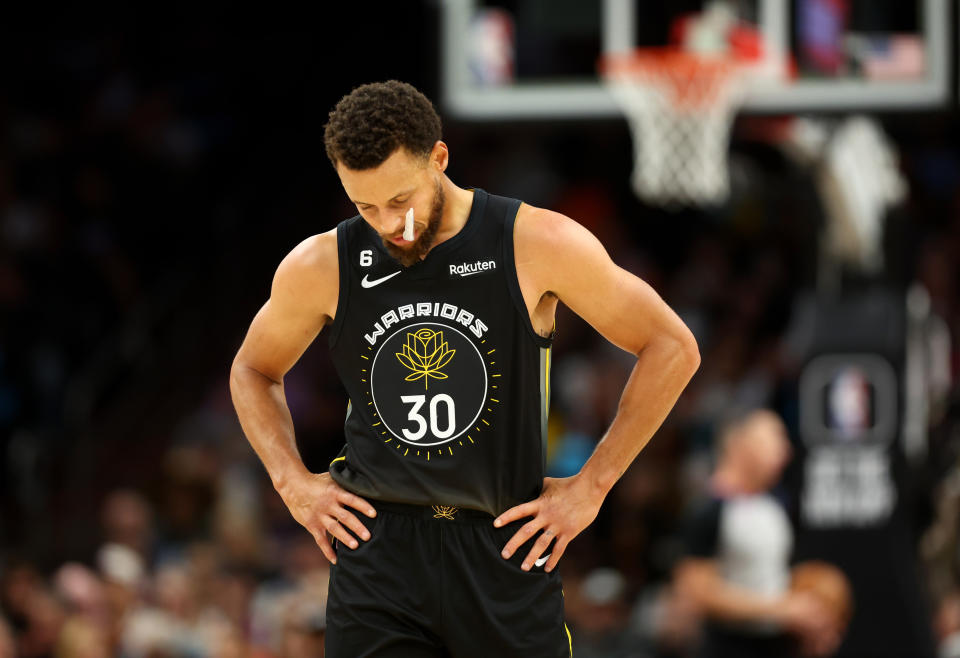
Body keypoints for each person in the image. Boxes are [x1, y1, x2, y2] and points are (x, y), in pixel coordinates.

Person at [229, 80, 700, 657]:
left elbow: (672, 345)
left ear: (440, 159)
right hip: (380, 552)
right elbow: (252, 369)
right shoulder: (322, 262)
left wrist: (591, 487)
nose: (386, 223)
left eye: (400, 200)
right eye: (364, 205)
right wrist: (292, 483)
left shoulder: (534, 240)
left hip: (502, 546)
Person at [673, 408, 840, 658]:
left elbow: (772, 579)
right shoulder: (709, 510)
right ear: (739, 444)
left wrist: (808, 617)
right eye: (773, 438)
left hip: (774, 645)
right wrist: (780, 609)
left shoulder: (775, 503)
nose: (785, 450)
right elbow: (696, 593)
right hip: (728, 646)